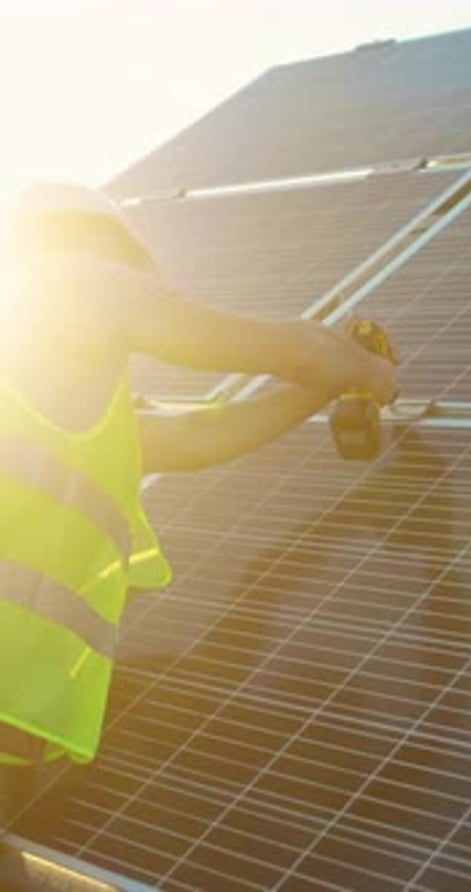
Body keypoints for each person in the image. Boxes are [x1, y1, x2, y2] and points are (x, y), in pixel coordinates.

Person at [0, 182, 398, 825]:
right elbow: (291, 349)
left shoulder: (52, 402)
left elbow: (197, 439)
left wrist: (323, 390)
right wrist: (360, 368)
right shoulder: (69, 277)